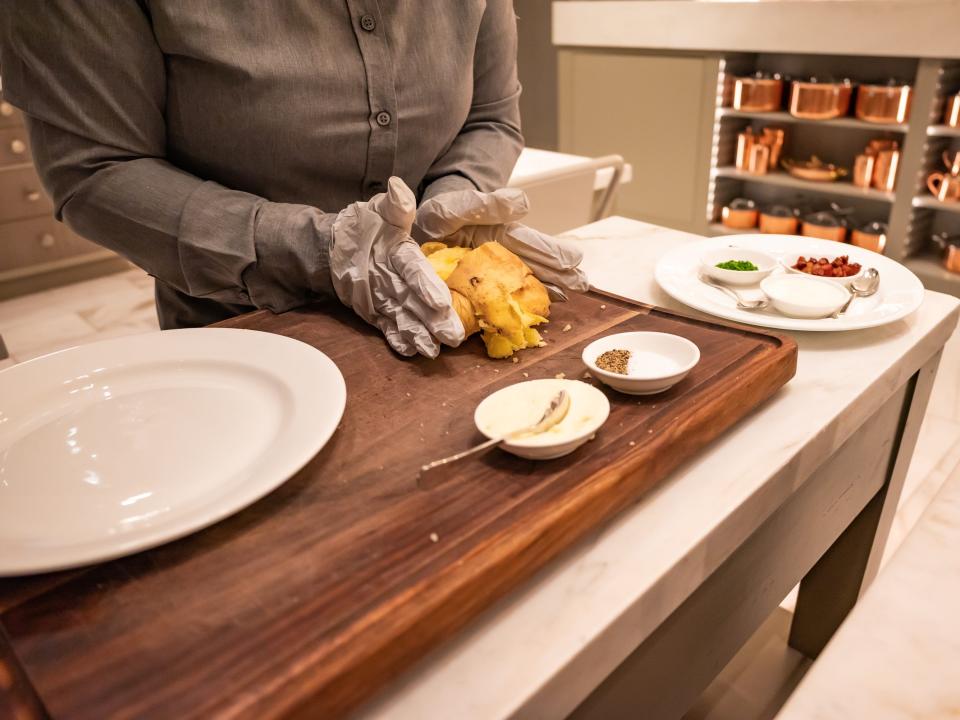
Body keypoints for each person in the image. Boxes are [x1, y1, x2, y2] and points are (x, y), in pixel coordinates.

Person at [0, 2, 588, 358]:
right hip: (238, 331)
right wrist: (319, 247)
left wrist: (450, 205)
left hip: (433, 325)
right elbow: (96, 170)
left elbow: (490, 116)